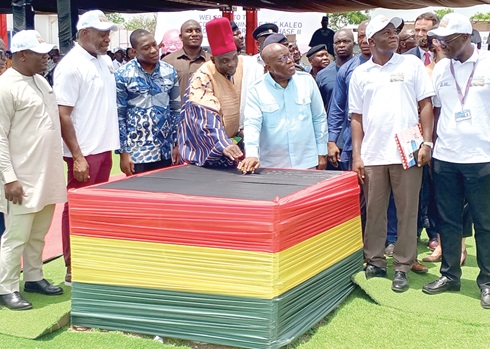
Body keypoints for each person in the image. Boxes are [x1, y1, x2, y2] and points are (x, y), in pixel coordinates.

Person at [349, 15, 434, 292]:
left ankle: (402, 265)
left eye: (394, 30)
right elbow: (357, 117)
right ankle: (374, 260)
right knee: (374, 211)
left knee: (407, 211)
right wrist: (357, 155)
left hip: (408, 150)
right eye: (385, 32)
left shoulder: (411, 64)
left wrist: (426, 143)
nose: (393, 35)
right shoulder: (361, 73)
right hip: (373, 153)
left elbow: (426, 105)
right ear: (371, 41)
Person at [421, 13, 490, 309]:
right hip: (446, 157)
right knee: (447, 220)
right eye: (438, 39)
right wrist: (429, 144)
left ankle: (487, 281)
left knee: (485, 223)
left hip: (483, 157)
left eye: (445, 40)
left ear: (464, 38)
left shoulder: (487, 63)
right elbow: (434, 112)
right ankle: (450, 274)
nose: (439, 44)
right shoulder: (439, 69)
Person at [0, 30, 66, 310]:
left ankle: (35, 277)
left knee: (38, 232)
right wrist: (9, 179)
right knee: (16, 236)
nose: (47, 58)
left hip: (47, 172)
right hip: (22, 177)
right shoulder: (5, 87)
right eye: (41, 55)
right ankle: (6, 287)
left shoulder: (41, 81)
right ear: (21, 55)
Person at [53, 10, 120, 286]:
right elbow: (63, 114)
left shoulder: (104, 62)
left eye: (108, 33)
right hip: (83, 153)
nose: (107, 39)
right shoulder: (70, 66)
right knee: (77, 207)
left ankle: (93, 258)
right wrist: (78, 156)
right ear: (84, 33)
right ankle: (73, 267)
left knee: (97, 208)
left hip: (103, 148)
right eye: (101, 34)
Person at [238, 43, 327, 172]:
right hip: (272, 165)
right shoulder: (257, 90)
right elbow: (252, 124)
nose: (290, 60)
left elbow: (319, 118)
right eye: (282, 59)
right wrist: (252, 154)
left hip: (306, 162)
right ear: (269, 67)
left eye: (289, 55)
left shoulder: (307, 82)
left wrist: (322, 151)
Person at [178, 17, 244, 168]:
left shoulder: (242, 67)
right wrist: (223, 143)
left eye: (234, 58)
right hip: (202, 149)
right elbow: (206, 117)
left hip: (229, 145)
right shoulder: (202, 77)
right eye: (225, 60)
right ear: (213, 59)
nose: (232, 64)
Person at [115, 29, 181, 176]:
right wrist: (123, 153)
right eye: (146, 48)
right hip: (137, 153)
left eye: (155, 45)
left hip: (166, 150)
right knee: (139, 196)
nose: (153, 50)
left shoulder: (169, 71)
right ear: (134, 51)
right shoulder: (123, 75)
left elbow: (176, 109)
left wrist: (177, 144)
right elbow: (119, 116)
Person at [163, 20, 211, 101]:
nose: (194, 34)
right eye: (189, 31)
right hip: (177, 112)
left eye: (198, 31)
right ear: (181, 37)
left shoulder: (212, 61)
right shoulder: (168, 62)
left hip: (205, 112)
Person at [317, 29, 355, 114]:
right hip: (333, 124)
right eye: (337, 42)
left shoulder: (362, 70)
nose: (341, 45)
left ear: (354, 44)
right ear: (333, 45)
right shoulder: (322, 75)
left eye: (346, 41)